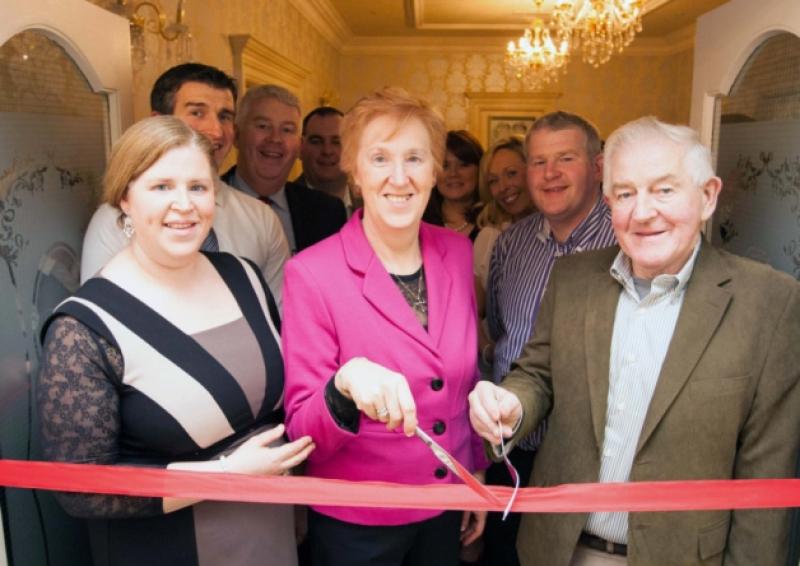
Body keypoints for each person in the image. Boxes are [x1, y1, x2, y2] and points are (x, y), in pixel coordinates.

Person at [469, 116, 800, 566]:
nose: (642, 212)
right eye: (625, 194)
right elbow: (538, 374)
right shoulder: (573, 278)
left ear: (707, 196)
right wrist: (513, 405)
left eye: (664, 190)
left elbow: (767, 476)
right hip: (560, 550)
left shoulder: (769, 302)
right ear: (609, 203)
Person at [38, 116, 314, 566]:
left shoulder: (243, 276)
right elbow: (80, 489)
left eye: (198, 187)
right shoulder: (83, 329)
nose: (184, 205)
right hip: (165, 549)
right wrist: (225, 474)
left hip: (269, 535)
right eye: (162, 186)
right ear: (125, 198)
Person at [282, 87, 488, 566]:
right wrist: (343, 385)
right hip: (359, 525)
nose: (399, 177)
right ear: (354, 171)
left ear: (434, 171)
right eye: (379, 158)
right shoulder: (311, 273)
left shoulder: (457, 252)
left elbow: (465, 381)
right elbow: (302, 430)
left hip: (447, 504)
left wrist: (474, 473)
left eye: (414, 158)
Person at [481, 112, 616, 566]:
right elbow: (500, 330)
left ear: (597, 166)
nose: (550, 174)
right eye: (538, 162)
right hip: (511, 451)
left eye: (565, 159)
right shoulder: (510, 244)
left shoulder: (628, 240)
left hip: (588, 458)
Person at [80, 63, 290, 307]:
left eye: (224, 116)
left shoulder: (262, 220)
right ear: (160, 121)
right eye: (197, 113)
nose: (216, 131)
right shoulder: (115, 219)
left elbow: (278, 318)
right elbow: (100, 315)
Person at [222, 85, 347, 254]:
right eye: (263, 126)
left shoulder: (328, 212)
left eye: (287, 130)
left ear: (299, 146)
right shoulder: (203, 205)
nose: (275, 138)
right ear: (236, 135)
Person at [473, 135, 535, 377]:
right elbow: (471, 311)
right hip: (507, 373)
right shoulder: (490, 237)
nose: (503, 187)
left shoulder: (560, 232)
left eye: (511, 174)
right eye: (493, 181)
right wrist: (488, 351)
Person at [295, 106, 359, 216]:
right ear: (300, 148)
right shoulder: (284, 206)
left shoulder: (372, 204)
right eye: (316, 141)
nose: (327, 151)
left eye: (337, 142)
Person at [423, 130, 484, 241]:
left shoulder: (494, 223)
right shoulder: (418, 221)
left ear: (480, 169)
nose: (453, 173)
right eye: (445, 166)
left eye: (463, 165)